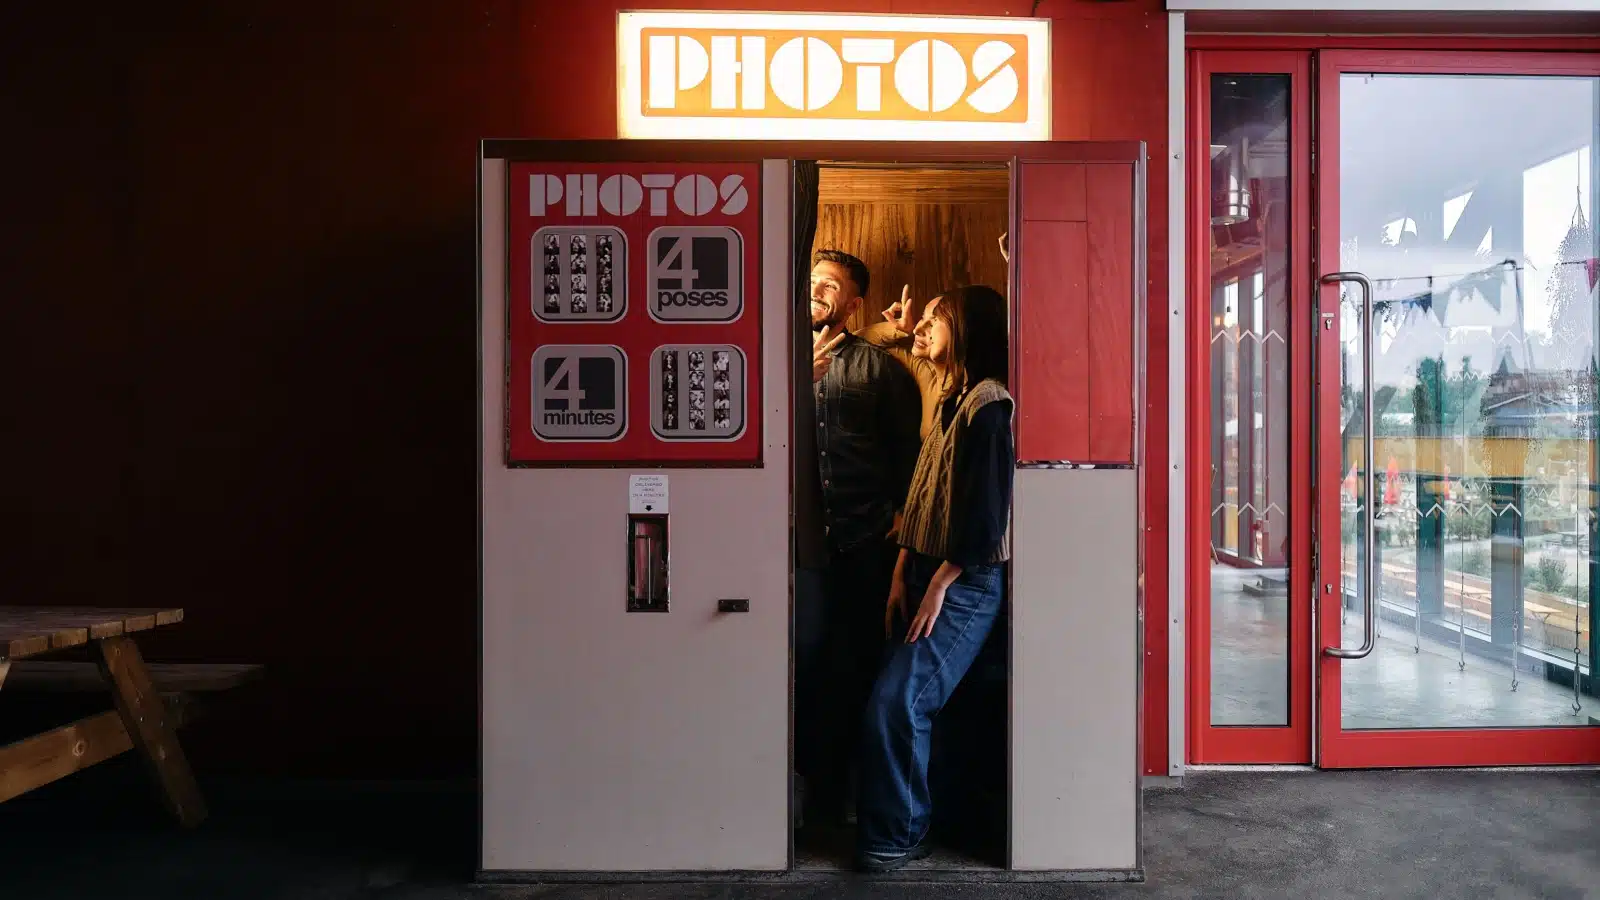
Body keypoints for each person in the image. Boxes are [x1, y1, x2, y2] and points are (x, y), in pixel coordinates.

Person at [855, 284, 1015, 872]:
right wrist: (903, 570)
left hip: (963, 581)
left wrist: (939, 584)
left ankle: (898, 835)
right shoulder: (950, 396)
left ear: (967, 328)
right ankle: (903, 826)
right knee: (902, 702)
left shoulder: (988, 406)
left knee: (897, 704)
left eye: (933, 320)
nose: (919, 329)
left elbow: (986, 515)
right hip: (925, 571)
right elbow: (922, 498)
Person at [793, 249, 923, 830]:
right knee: (804, 668)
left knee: (860, 670)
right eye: (812, 281)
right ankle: (805, 800)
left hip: (867, 546)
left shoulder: (882, 369)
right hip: (799, 552)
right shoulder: (775, 360)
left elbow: (908, 459)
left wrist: (898, 525)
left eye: (831, 284)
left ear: (853, 302)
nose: (817, 290)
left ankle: (850, 803)